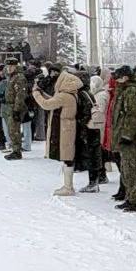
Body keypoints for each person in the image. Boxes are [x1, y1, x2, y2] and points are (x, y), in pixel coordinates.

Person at [33, 67, 83, 195]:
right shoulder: (72, 93)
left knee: (67, 157)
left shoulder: (64, 96)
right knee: (68, 156)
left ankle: (68, 187)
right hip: (68, 126)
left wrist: (36, 93)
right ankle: (68, 185)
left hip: (64, 128)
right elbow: (52, 100)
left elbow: (46, 104)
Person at [110, 64, 136, 211]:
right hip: (127, 137)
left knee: (131, 169)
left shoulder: (132, 92)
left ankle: (134, 199)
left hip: (132, 139)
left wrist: (127, 135)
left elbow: (134, 116)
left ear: (125, 77)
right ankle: (130, 196)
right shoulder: (126, 91)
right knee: (126, 169)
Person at [83, 72, 109, 191]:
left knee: (98, 152)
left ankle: (101, 175)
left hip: (99, 127)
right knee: (99, 152)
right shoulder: (99, 94)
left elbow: (100, 111)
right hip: (100, 127)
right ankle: (101, 174)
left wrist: (92, 108)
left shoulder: (101, 95)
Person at [2, 58, 27, 160]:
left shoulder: (19, 78)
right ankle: (14, 149)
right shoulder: (11, 77)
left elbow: (20, 95)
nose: (9, 68)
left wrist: (17, 109)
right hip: (9, 106)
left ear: (16, 66)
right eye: (7, 66)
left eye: (11, 66)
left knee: (14, 130)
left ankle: (17, 151)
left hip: (15, 106)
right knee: (11, 129)